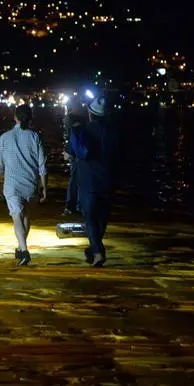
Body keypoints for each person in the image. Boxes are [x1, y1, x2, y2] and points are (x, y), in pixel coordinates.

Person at [0, 105, 48, 266]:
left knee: (17, 217)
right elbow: (42, 166)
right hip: (31, 184)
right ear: (30, 118)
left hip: (12, 186)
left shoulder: (5, 137)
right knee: (26, 216)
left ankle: (24, 251)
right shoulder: (35, 137)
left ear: (15, 117)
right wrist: (44, 187)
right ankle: (20, 247)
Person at [69, 95, 118, 267]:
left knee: (89, 217)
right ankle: (94, 248)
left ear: (90, 114)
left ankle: (97, 252)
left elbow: (72, 152)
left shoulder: (82, 130)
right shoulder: (114, 132)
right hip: (109, 179)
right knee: (102, 218)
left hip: (88, 180)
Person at [62, 111, 84, 215]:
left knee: (74, 183)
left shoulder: (73, 131)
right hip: (88, 163)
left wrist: (66, 154)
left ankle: (71, 206)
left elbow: (68, 154)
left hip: (77, 162)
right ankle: (81, 206)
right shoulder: (86, 129)